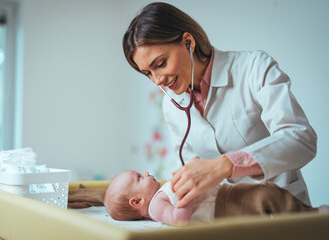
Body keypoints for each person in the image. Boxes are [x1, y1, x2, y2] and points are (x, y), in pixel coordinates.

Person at [122, 2, 317, 208]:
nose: (157, 80)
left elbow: (301, 140)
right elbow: (189, 170)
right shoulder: (172, 105)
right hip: (226, 218)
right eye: (148, 74)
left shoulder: (253, 68)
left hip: (282, 211)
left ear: (188, 42)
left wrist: (226, 165)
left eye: (160, 64)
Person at [103, 170, 315, 226]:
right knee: (266, 196)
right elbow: (179, 219)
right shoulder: (156, 207)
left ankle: (309, 217)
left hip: (222, 194)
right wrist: (188, 196)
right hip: (222, 207)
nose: (147, 173)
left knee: (268, 192)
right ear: (137, 201)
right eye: (140, 177)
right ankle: (313, 220)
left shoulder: (158, 195)